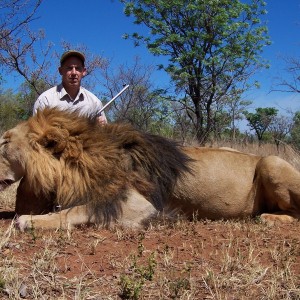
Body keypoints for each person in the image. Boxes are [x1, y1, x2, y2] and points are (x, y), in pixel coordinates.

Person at [33, 50, 107, 125]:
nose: (74, 73)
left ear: (83, 71)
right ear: (60, 71)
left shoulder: (95, 103)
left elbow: (104, 133)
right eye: (69, 68)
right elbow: (36, 133)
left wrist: (100, 127)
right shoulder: (45, 101)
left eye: (77, 68)